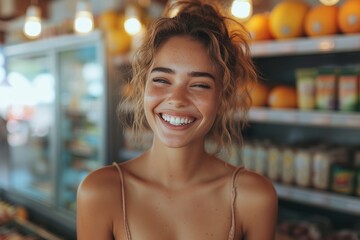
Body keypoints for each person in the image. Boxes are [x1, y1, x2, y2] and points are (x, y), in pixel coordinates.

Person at [77, 0, 278, 239]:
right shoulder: (100, 192)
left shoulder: (253, 197)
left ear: (223, 97)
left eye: (200, 85)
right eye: (162, 80)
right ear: (143, 87)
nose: (177, 99)